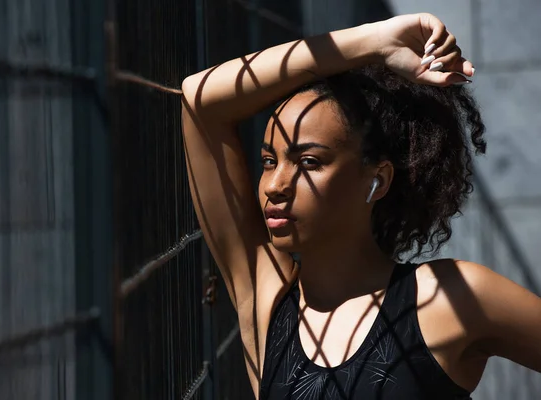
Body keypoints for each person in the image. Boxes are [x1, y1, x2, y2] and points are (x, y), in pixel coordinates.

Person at [180, 13, 541, 399]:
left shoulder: (451, 297)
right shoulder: (267, 301)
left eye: (309, 163)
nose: (275, 185)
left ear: (378, 180)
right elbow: (200, 99)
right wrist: (372, 42)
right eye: (270, 161)